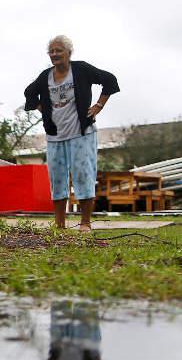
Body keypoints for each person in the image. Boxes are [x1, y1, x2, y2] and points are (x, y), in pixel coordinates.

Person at [24, 35, 119, 231]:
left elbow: (109, 80)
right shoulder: (45, 76)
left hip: (81, 132)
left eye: (59, 50)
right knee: (57, 178)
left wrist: (98, 106)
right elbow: (29, 93)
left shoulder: (81, 69)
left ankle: (85, 223)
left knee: (83, 175)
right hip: (55, 135)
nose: (54, 54)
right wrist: (44, 109)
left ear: (69, 52)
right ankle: (60, 225)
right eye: (51, 51)